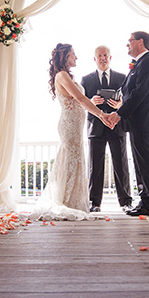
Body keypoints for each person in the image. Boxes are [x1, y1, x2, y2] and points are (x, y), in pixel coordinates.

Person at [29, 43, 112, 220]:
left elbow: (80, 100)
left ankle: (75, 202)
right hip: (69, 124)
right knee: (71, 158)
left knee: (75, 159)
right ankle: (67, 201)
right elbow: (80, 98)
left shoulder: (66, 76)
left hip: (75, 124)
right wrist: (101, 115)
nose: (76, 57)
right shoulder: (62, 75)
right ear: (65, 56)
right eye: (73, 54)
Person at [104, 31, 149, 217]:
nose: (127, 44)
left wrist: (119, 113)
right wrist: (121, 105)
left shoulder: (148, 64)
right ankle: (145, 201)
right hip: (137, 121)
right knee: (140, 163)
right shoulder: (140, 64)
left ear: (141, 41)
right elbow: (131, 93)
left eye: (129, 41)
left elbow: (139, 93)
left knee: (145, 162)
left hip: (144, 120)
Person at [80, 45, 132, 212]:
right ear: (94, 59)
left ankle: (126, 202)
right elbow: (80, 103)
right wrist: (91, 102)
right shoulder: (86, 79)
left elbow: (129, 100)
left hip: (117, 126)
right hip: (95, 128)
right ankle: (94, 203)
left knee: (121, 165)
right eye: (99, 56)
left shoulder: (122, 77)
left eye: (105, 55)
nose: (102, 58)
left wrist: (120, 104)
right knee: (95, 166)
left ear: (110, 58)